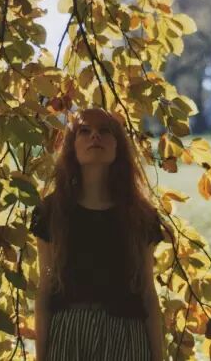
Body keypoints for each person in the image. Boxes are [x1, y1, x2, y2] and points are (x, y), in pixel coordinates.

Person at [29, 107, 166, 361]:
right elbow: (45, 291)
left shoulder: (140, 216)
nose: (95, 136)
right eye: (84, 131)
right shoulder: (51, 212)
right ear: (72, 147)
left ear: (117, 146)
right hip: (69, 337)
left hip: (126, 338)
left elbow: (148, 292)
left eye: (104, 130)